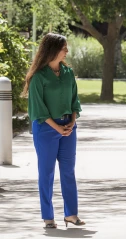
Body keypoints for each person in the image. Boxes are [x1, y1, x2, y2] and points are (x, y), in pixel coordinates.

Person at [22, 33, 85, 228]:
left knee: (68, 171)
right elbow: (38, 109)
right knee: (46, 172)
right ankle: (48, 217)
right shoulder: (38, 77)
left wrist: (71, 122)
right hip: (46, 128)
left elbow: (75, 101)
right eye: (64, 47)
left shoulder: (67, 73)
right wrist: (57, 127)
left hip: (68, 127)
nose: (67, 51)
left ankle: (71, 214)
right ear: (53, 49)